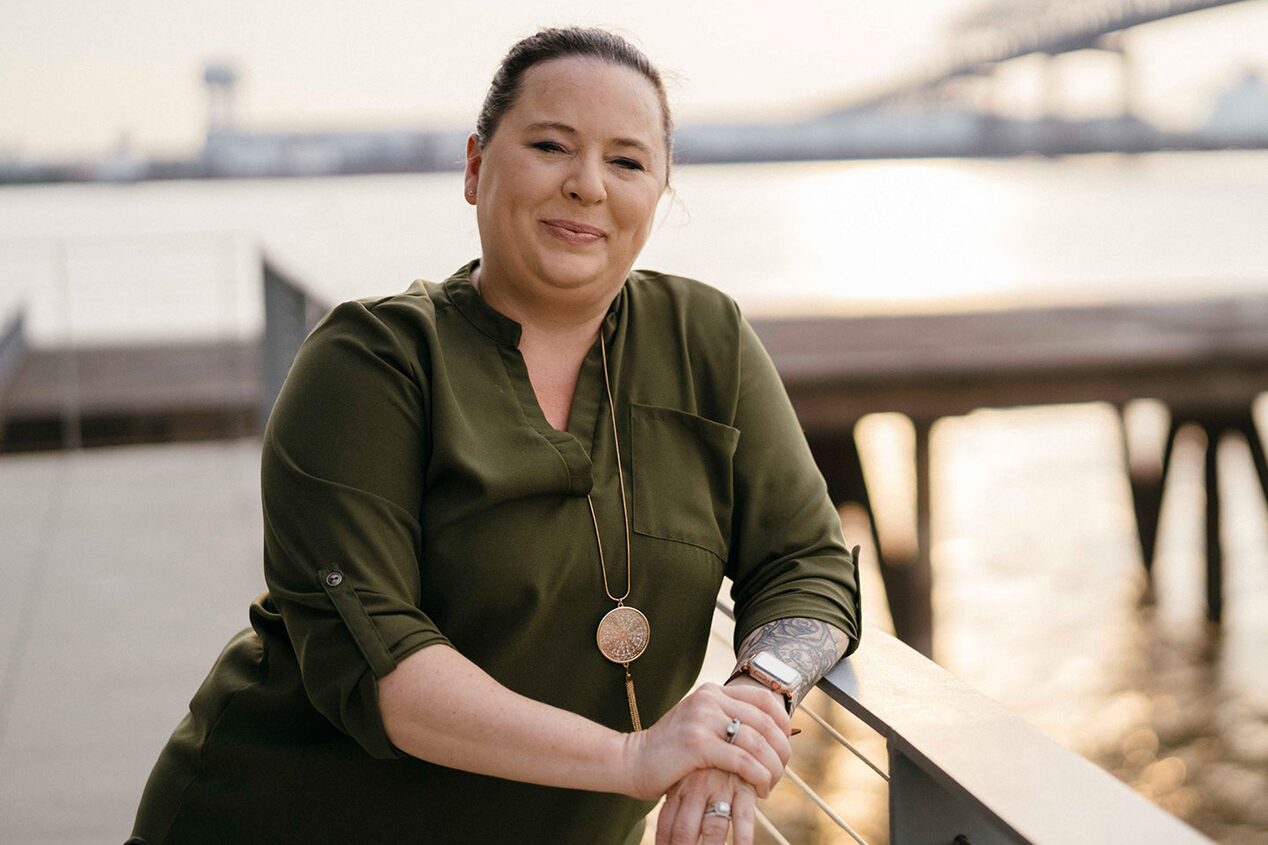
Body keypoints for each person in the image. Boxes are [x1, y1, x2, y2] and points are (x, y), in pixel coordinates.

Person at [129, 26, 861, 845]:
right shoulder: (370, 366)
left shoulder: (705, 338)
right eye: (551, 145)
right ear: (476, 166)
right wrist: (635, 757)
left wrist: (752, 707)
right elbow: (394, 672)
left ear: (659, 191)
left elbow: (809, 560)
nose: (587, 185)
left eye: (627, 161)